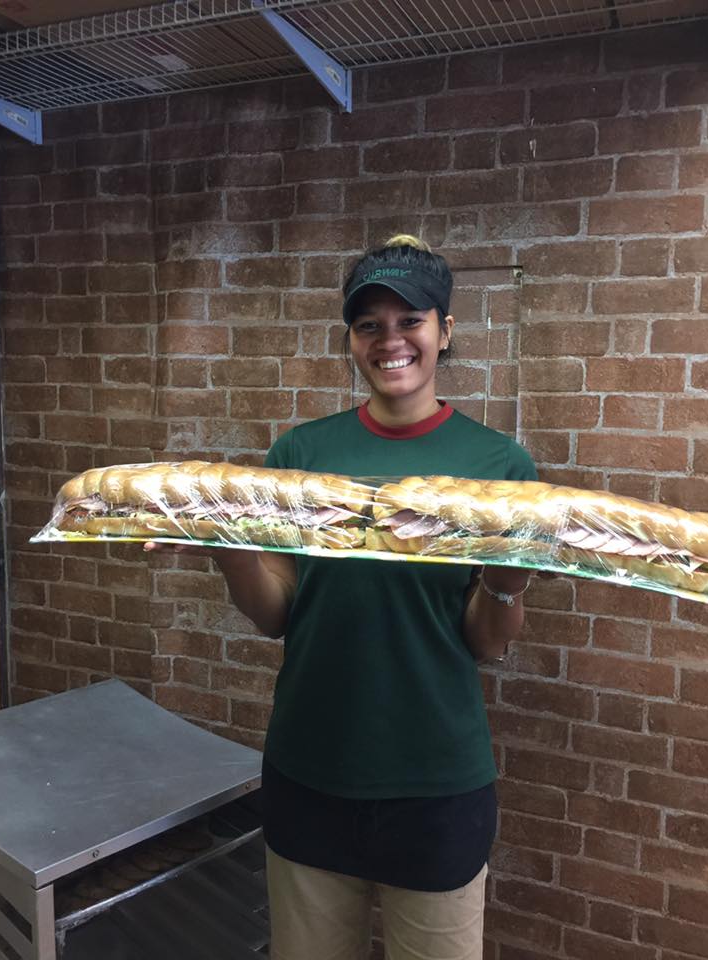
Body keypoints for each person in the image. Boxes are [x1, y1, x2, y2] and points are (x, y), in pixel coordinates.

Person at [146, 234, 537, 960]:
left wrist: (508, 581)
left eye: (410, 320)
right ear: (352, 338)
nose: (390, 340)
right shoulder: (300, 456)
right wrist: (230, 547)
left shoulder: (499, 466)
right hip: (309, 774)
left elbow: (486, 642)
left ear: (445, 330)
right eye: (369, 324)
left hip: (435, 785)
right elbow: (275, 615)